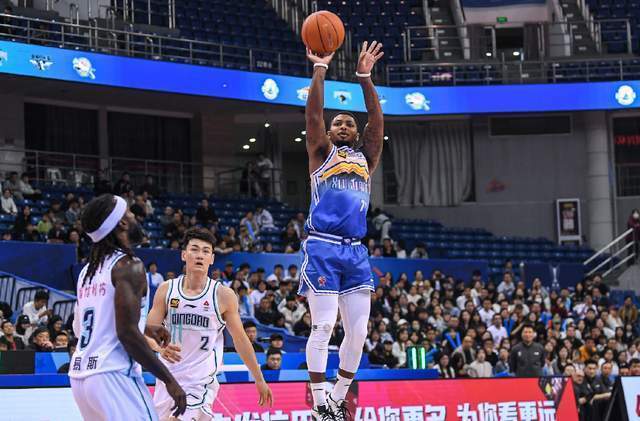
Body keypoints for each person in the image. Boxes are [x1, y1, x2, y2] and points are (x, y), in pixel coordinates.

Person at [301, 40, 384, 421]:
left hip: (356, 251)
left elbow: (376, 121)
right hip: (323, 245)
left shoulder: (367, 157)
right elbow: (313, 114)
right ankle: (319, 401)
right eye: (339, 123)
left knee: (360, 332)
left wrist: (365, 78)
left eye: (350, 123)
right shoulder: (321, 153)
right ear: (331, 133)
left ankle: (337, 397)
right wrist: (320, 70)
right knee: (322, 326)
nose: (345, 126)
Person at [68, 194, 187, 420]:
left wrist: (143, 326)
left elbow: (81, 328)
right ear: (122, 223)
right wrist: (169, 380)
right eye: (130, 213)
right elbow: (126, 334)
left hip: (81, 377)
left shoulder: (87, 272)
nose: (135, 217)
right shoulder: (129, 266)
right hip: (114, 374)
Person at [146, 227, 272, 420]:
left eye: (205, 251)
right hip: (167, 377)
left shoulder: (223, 295)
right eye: (194, 249)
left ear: (212, 259)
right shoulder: (166, 290)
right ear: (184, 255)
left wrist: (259, 378)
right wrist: (159, 349)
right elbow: (147, 333)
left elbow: (240, 339)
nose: (200, 255)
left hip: (200, 381)